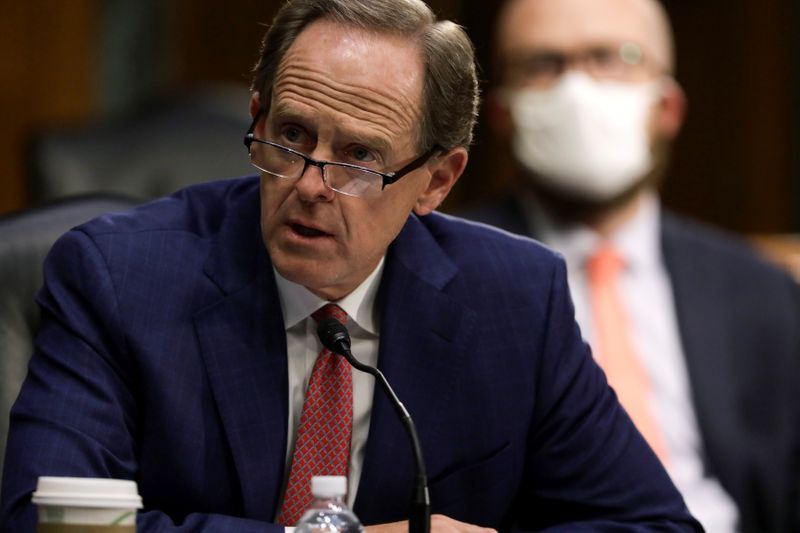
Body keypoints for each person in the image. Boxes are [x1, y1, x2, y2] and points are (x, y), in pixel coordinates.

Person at [0, 0, 700, 531]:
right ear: (258, 115)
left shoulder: (513, 300)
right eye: (291, 136)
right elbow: (46, 518)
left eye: (360, 157)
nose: (308, 183)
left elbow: (655, 524)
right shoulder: (121, 276)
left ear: (436, 180)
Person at [461, 0, 800, 531]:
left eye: (611, 57)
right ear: (501, 114)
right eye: (542, 64)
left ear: (668, 108)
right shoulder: (443, 274)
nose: (577, 89)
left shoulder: (762, 292)